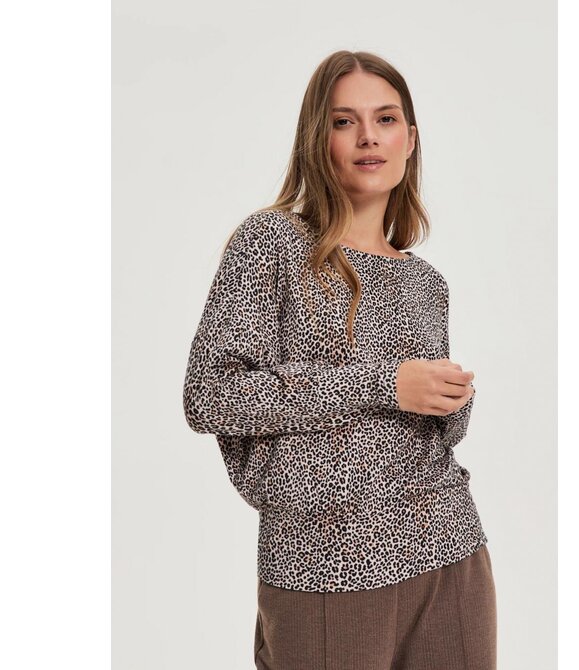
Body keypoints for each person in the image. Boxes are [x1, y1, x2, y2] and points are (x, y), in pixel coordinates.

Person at [183, 50, 496, 670]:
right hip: (324, 564)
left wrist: (449, 401)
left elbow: (425, 433)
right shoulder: (271, 243)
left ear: (410, 140)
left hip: (450, 554)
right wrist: (385, 383)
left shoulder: (426, 282)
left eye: (386, 119)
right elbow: (210, 395)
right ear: (316, 138)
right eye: (344, 121)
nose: (367, 137)